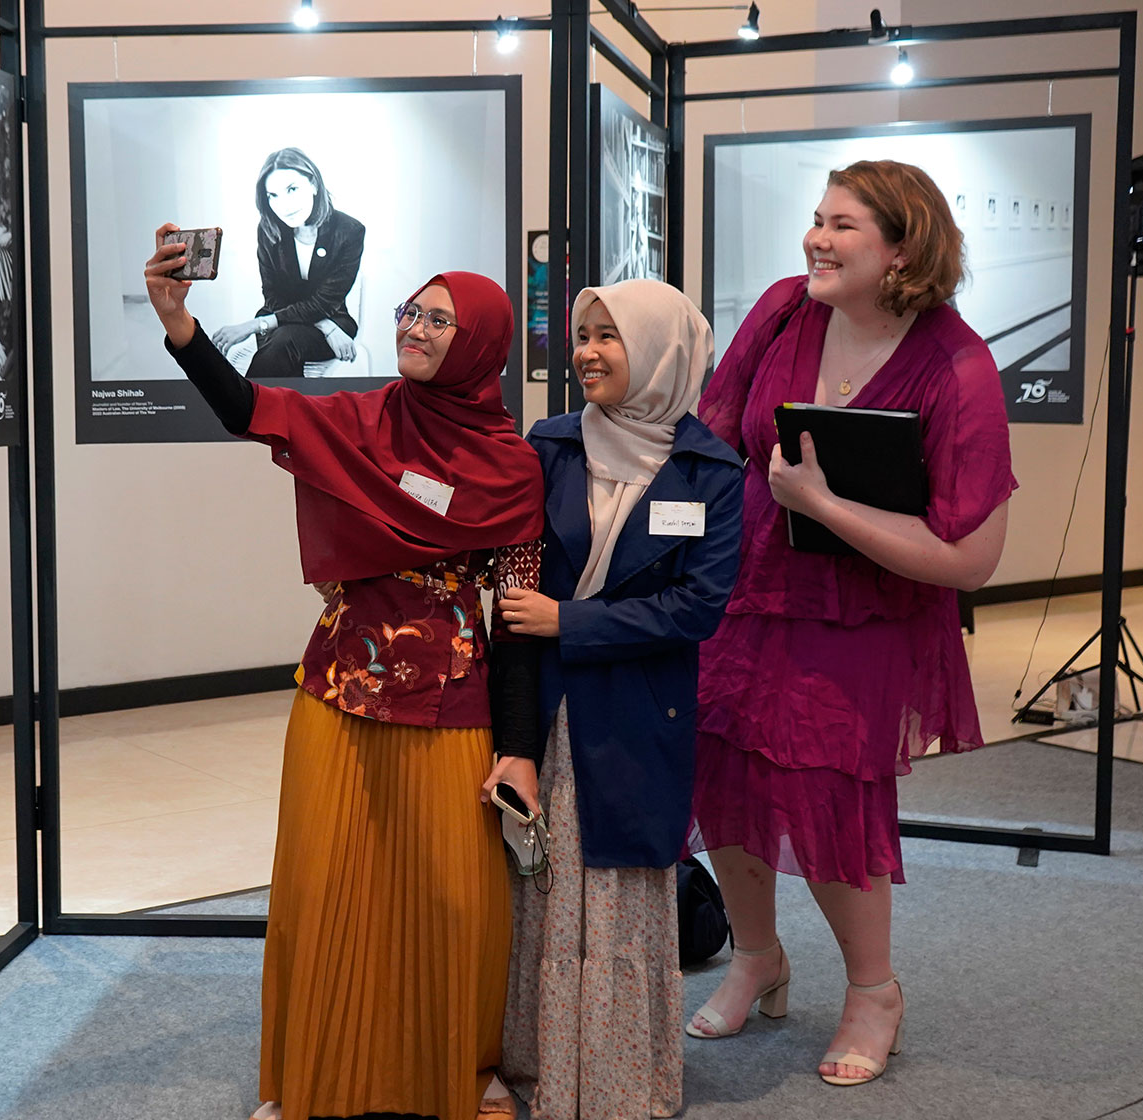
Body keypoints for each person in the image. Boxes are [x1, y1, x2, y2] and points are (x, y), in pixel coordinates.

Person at [145, 223, 545, 1120]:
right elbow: (245, 407)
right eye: (411, 311)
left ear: (479, 343)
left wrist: (518, 750)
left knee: (451, 903)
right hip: (339, 690)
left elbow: (517, 621)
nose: (417, 326)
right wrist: (179, 322)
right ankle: (310, 1080)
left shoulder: (513, 470)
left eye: (441, 319)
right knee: (324, 889)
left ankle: (465, 1070)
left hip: (450, 702)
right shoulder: (359, 421)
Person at [686, 160, 1014, 1087]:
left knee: (832, 794)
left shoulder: (958, 365)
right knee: (721, 769)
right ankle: (758, 955)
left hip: (863, 616)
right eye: (816, 219)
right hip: (745, 586)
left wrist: (823, 506)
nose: (815, 239)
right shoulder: (787, 309)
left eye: (841, 226)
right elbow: (715, 432)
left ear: (902, 247)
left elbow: (970, 558)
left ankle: (874, 991)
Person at [494, 280, 744, 1119]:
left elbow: (696, 609)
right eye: (583, 334)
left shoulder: (710, 471)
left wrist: (571, 620)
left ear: (663, 352)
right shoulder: (551, 446)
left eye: (611, 336)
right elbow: (513, 574)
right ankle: (536, 1068)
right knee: (543, 888)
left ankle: (617, 1078)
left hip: (640, 712)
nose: (589, 352)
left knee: (621, 892)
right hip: (552, 707)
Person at [208, 148, 365, 379]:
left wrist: (254, 325)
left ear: (313, 184)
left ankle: (248, 410)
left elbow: (325, 302)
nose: (284, 205)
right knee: (282, 342)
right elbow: (271, 294)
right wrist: (325, 325)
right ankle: (283, 411)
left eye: (292, 189)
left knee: (284, 342)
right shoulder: (269, 229)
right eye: (273, 195)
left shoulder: (349, 231)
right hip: (282, 321)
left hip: (330, 322)